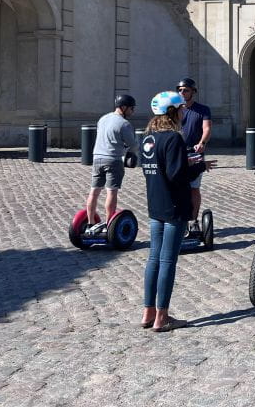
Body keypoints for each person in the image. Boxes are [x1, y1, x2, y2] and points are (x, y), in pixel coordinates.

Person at [141, 91, 215, 332]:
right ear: (172, 112)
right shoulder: (173, 138)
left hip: (156, 203)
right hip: (174, 205)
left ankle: (148, 312)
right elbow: (176, 176)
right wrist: (199, 167)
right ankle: (162, 317)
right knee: (167, 261)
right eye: (181, 109)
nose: (184, 112)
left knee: (153, 259)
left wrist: (186, 162)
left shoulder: (148, 137)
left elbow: (158, 168)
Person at [85, 95, 138, 234]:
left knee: (94, 192)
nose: (133, 112)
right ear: (124, 107)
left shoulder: (103, 119)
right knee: (111, 192)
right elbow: (133, 145)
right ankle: (110, 226)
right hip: (113, 160)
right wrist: (131, 150)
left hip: (97, 158)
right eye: (132, 108)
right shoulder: (124, 124)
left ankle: (90, 223)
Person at [176, 78, 211, 234]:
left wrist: (202, 143)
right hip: (177, 154)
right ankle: (179, 220)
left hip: (194, 153)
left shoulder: (202, 109)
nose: (182, 92)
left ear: (193, 92)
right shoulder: (174, 109)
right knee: (177, 188)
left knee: (194, 189)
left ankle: (194, 221)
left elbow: (207, 128)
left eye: (186, 90)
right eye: (180, 90)